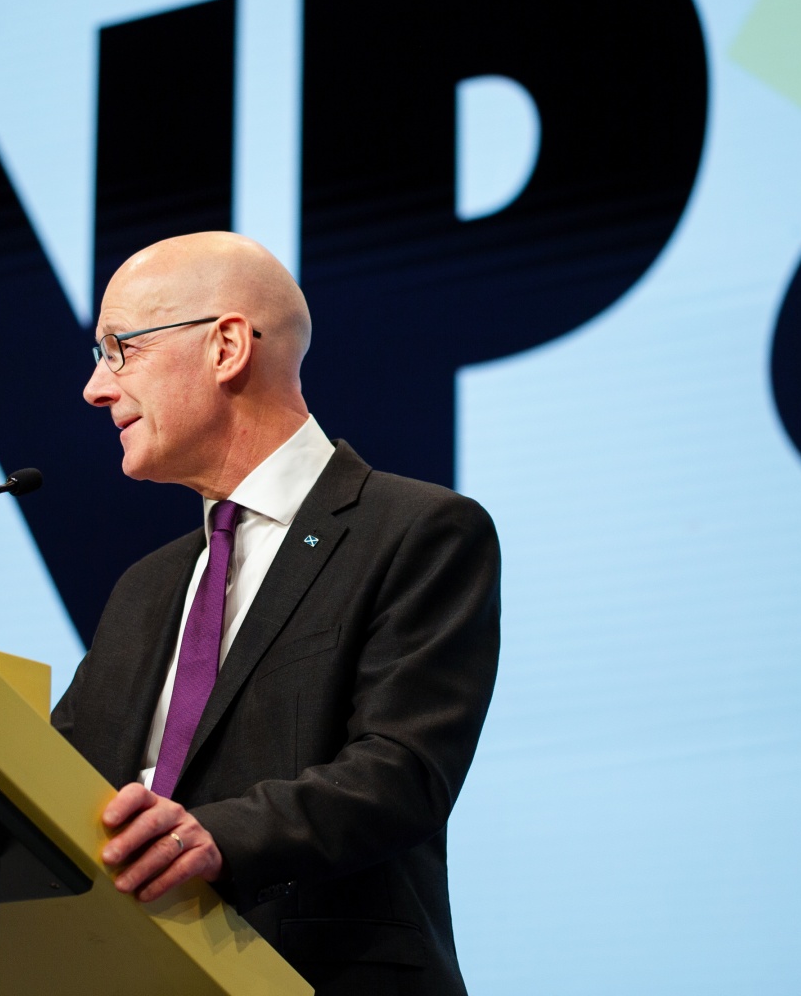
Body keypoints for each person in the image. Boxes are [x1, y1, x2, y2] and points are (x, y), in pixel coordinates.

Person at [52, 231, 501, 995]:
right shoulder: (145, 588)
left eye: (119, 348)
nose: (96, 388)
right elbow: (58, 780)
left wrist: (217, 837)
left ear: (227, 346)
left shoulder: (417, 531)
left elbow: (402, 772)